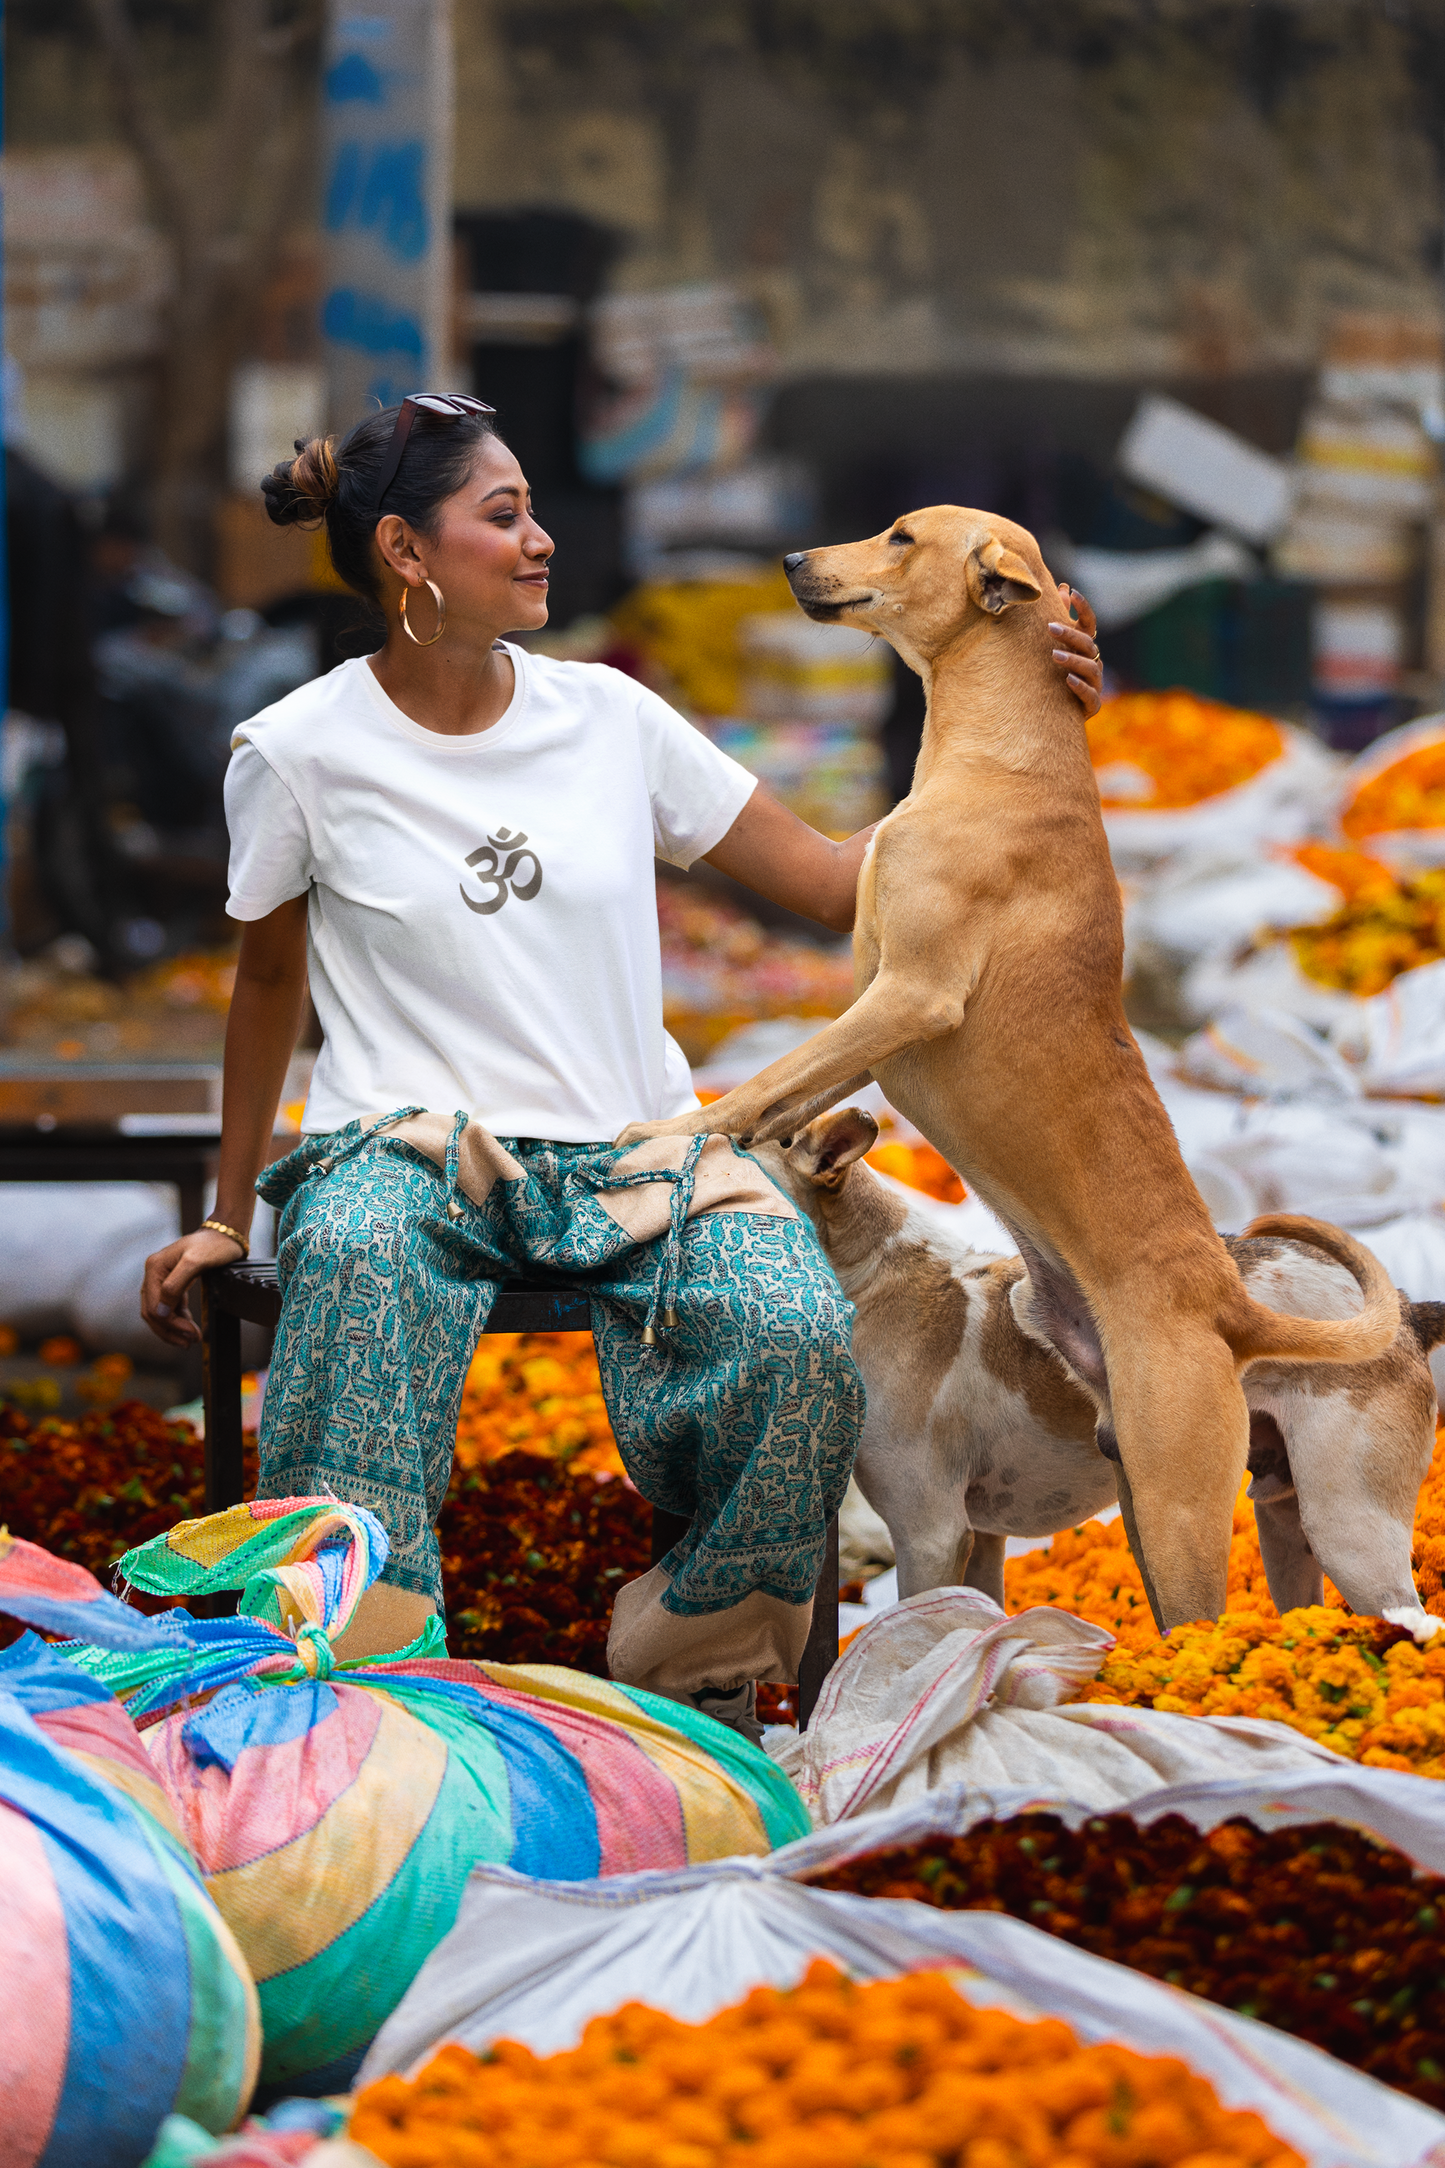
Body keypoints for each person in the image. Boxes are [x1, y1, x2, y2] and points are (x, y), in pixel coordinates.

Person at [140, 394, 1103, 1731]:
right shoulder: (299, 752)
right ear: (408, 555)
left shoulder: (611, 718)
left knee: (793, 1334)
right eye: (503, 517)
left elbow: (838, 888)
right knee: (354, 1263)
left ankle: (690, 1676)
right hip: (412, 1148)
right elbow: (265, 985)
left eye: (534, 512)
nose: (541, 542)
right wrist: (224, 1215)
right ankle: (346, 1691)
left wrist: (1016, 712)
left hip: (642, 1148)